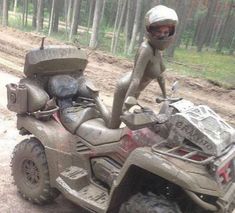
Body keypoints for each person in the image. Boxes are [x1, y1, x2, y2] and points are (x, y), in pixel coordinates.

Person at [108, 5, 178, 129]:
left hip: (136, 90)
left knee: (131, 122)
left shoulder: (157, 50)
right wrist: (125, 105)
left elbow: (160, 76)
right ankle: (96, 102)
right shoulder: (146, 49)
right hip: (126, 89)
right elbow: (136, 79)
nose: (163, 35)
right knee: (114, 124)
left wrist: (165, 97)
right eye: (159, 31)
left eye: (166, 32)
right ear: (151, 31)